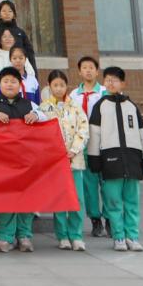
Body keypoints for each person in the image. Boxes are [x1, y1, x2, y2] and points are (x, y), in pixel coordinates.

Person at [0, 66, 50, 252]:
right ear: (0, 84)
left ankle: (24, 236)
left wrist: (36, 115)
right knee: (6, 200)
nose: (9, 85)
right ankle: (5, 238)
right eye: (6, 81)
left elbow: (46, 116)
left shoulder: (29, 104)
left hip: (26, 162)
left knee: (27, 199)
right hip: (2, 162)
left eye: (13, 81)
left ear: (19, 84)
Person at [88, 66, 143, 253]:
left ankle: (132, 236)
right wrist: (94, 160)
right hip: (111, 160)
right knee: (113, 202)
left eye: (115, 80)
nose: (111, 83)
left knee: (132, 202)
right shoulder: (100, 106)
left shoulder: (131, 106)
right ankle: (118, 236)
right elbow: (94, 135)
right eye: (107, 80)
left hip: (132, 161)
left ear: (123, 83)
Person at [41, 69, 89, 252]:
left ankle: (76, 235)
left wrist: (74, 149)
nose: (59, 88)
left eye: (62, 85)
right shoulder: (44, 108)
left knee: (77, 199)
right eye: (55, 85)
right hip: (55, 162)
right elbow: (41, 134)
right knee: (60, 199)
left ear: (66, 86)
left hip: (74, 161)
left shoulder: (75, 106)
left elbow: (83, 129)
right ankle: (62, 236)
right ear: (49, 86)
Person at [71, 55, 109, 237]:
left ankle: (110, 218)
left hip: (104, 144)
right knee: (89, 185)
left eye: (91, 67)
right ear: (79, 71)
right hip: (85, 145)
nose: (88, 70)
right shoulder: (73, 95)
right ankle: (95, 219)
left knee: (107, 183)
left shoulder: (105, 92)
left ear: (97, 71)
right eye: (84, 67)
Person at [0, 0, 35, 70]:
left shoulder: (20, 32)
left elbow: (30, 53)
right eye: (4, 11)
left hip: (20, 69)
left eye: (10, 11)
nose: (7, 14)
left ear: (14, 15)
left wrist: (34, 72)